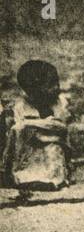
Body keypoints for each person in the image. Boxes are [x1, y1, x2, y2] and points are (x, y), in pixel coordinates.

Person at [1, 60, 71, 191]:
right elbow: (15, 131)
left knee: (53, 154)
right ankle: (25, 177)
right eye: (51, 85)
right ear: (33, 91)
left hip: (52, 143)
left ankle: (53, 179)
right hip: (29, 148)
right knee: (23, 154)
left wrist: (37, 126)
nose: (57, 88)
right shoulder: (20, 106)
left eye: (57, 82)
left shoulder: (60, 103)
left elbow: (62, 126)